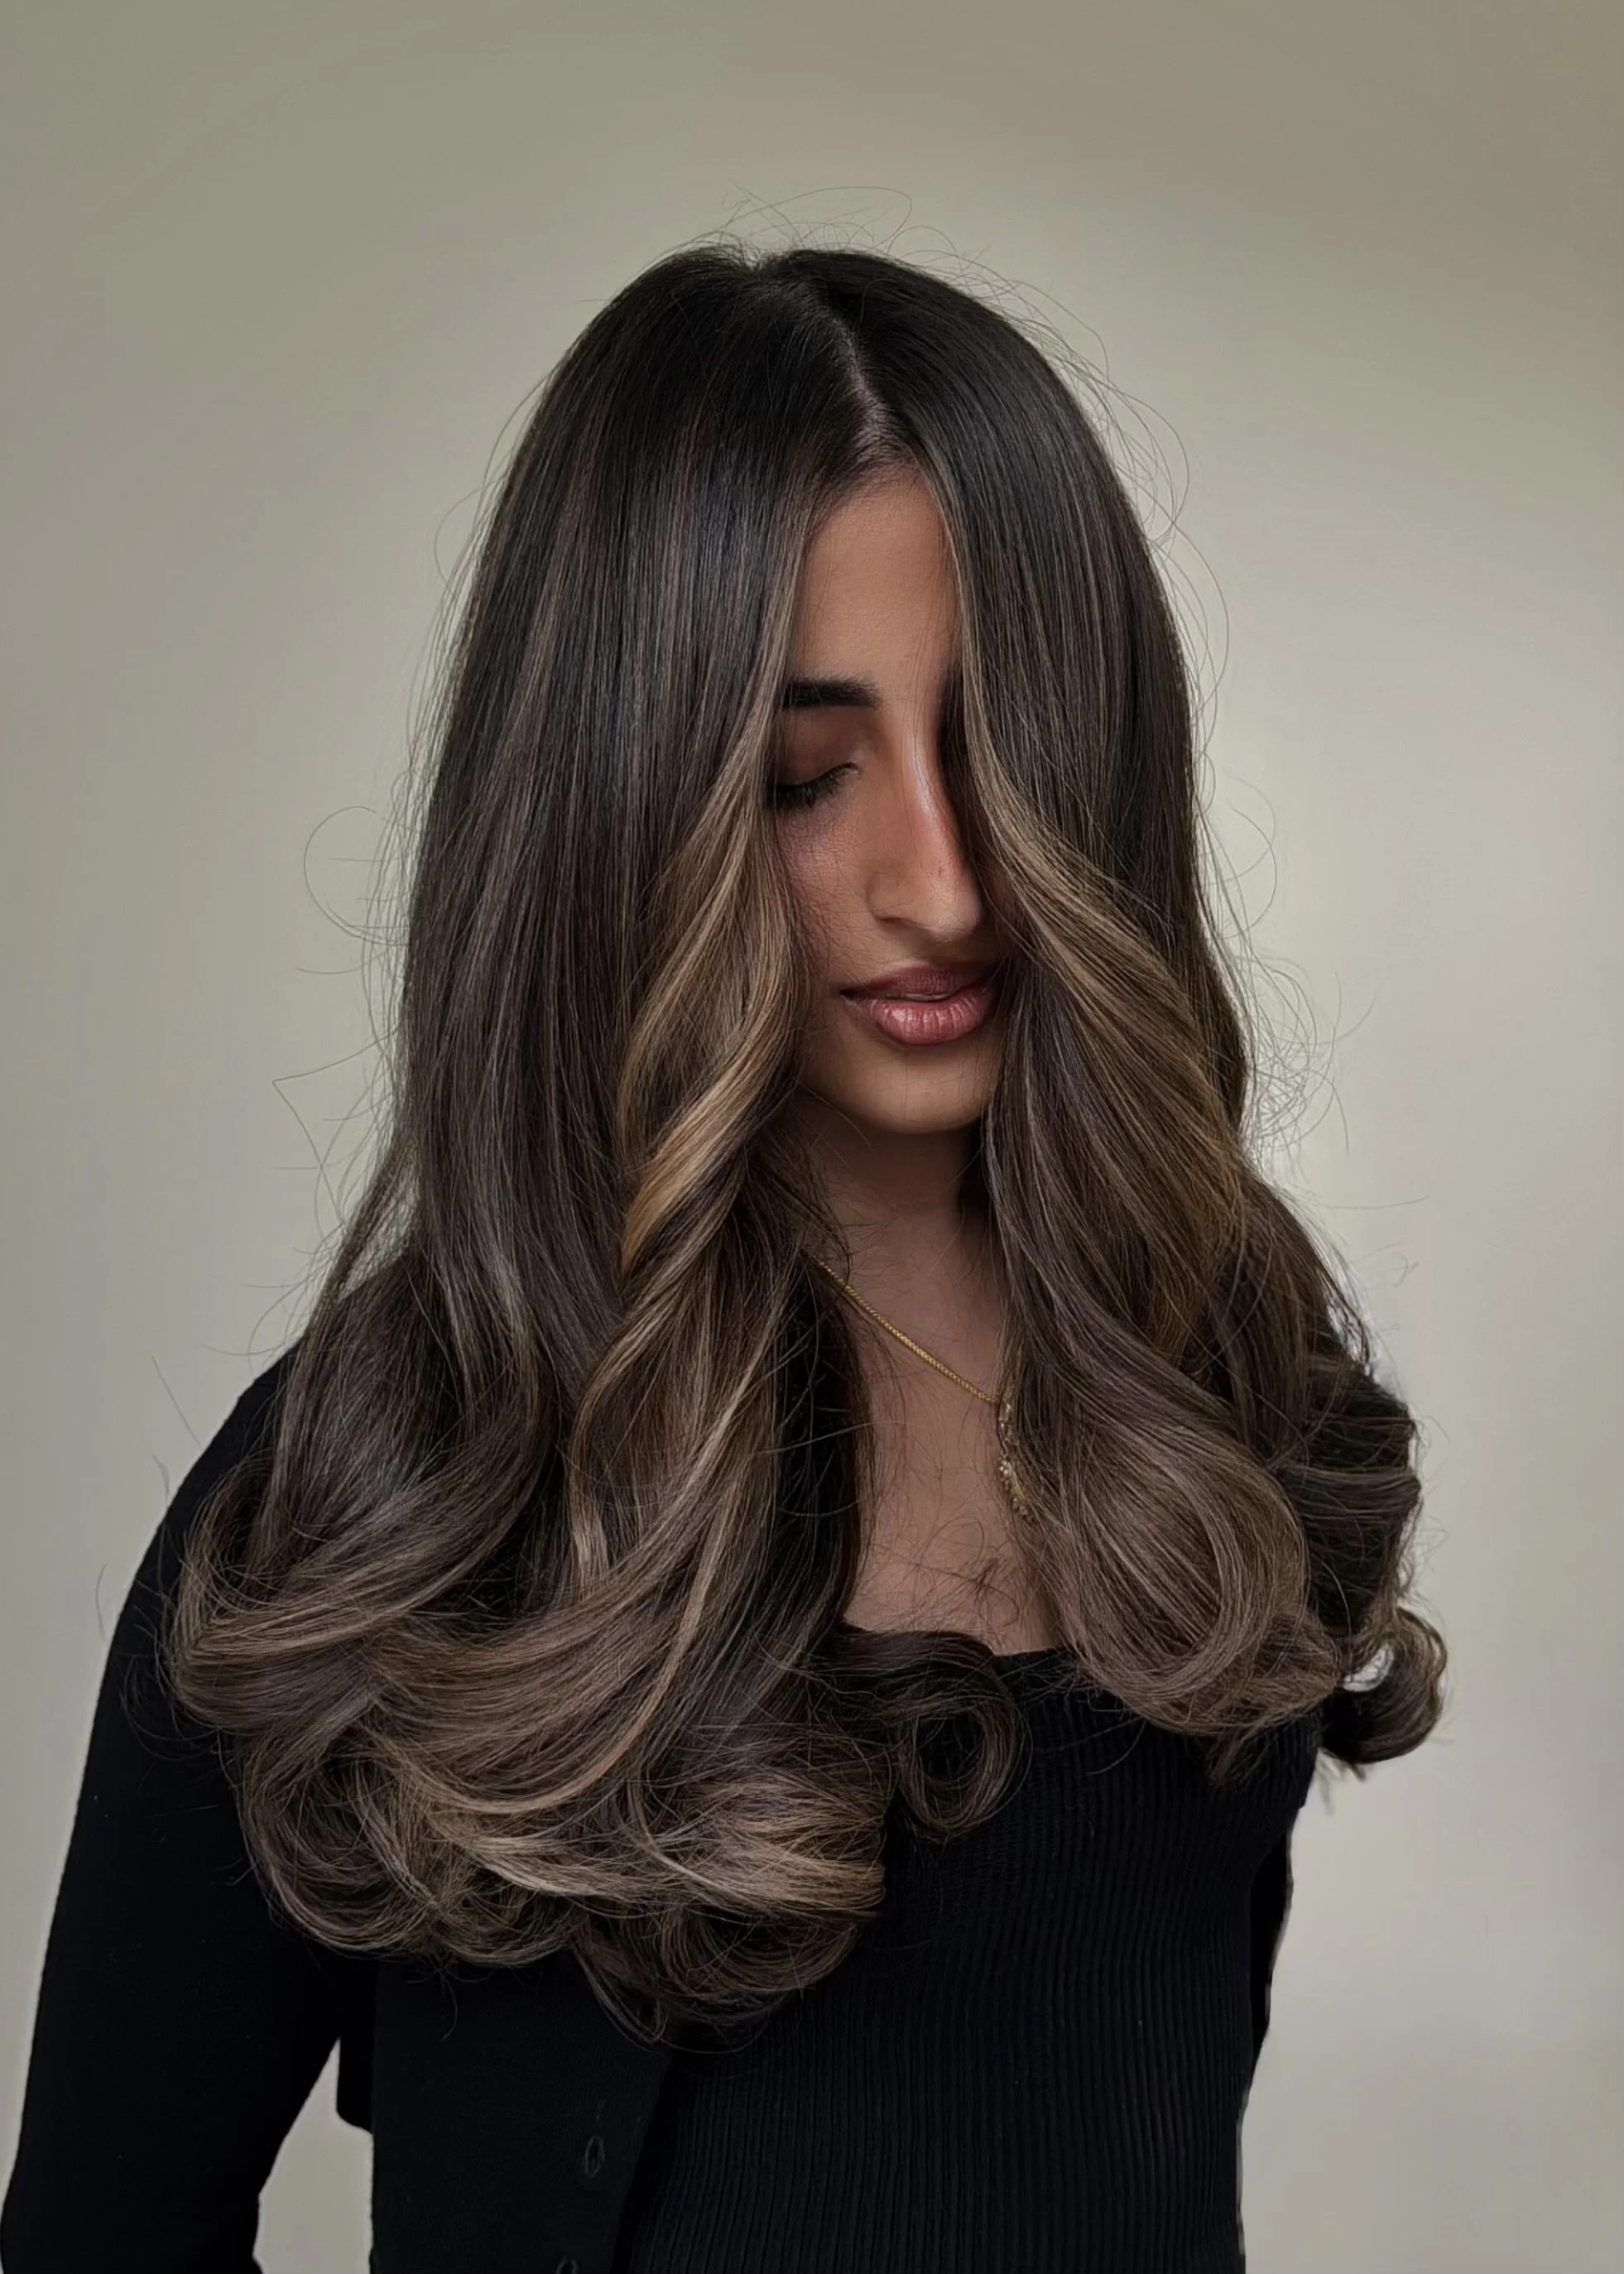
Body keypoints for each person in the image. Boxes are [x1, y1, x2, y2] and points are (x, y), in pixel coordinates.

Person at [1, 240, 1448, 2274]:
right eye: (803, 774)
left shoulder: (1224, 1387)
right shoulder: (378, 1497)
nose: (941, 879)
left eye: (998, 745)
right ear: (623, 806)